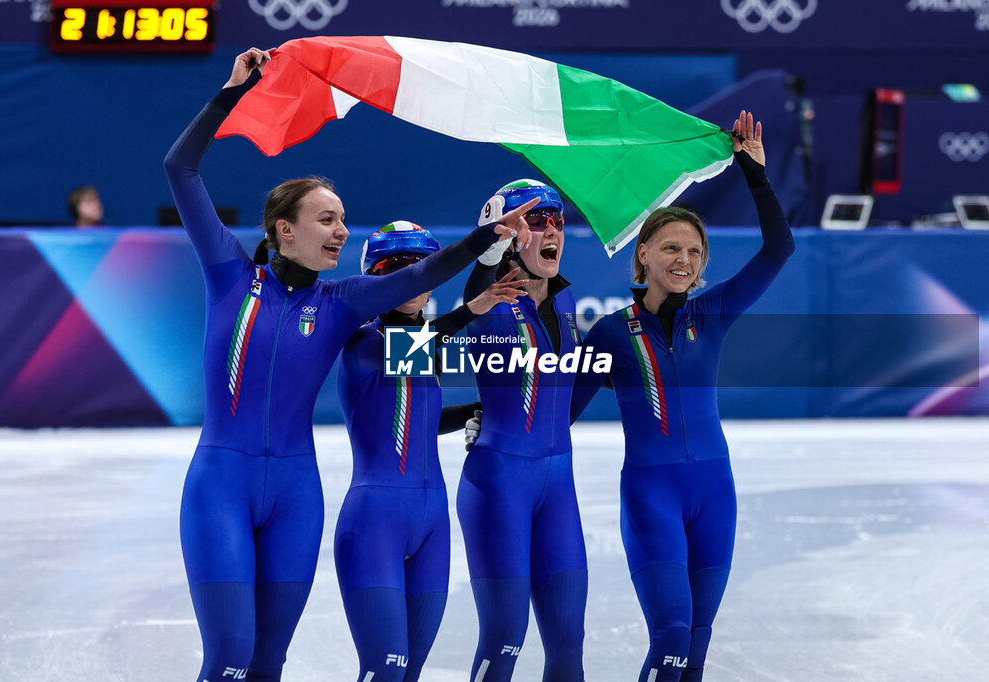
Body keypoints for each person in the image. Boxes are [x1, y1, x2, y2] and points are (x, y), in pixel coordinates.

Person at [162, 48, 532, 682]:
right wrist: (230, 95)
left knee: (267, 662)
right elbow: (181, 167)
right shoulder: (230, 278)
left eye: (342, 221)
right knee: (227, 657)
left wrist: (488, 240)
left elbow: (421, 280)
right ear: (283, 229)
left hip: (296, 495)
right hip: (220, 484)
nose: (339, 231)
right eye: (325, 219)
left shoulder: (342, 306)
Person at [570, 111, 795, 681]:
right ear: (642, 254)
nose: (683, 261)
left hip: (715, 493)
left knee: (695, 644)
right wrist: (480, 418)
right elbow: (560, 411)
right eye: (670, 248)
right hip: (653, 497)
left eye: (694, 253)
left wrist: (756, 175)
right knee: (671, 634)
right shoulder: (611, 333)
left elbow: (778, 250)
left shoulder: (711, 314)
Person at [335, 221, 529, 682]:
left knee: (411, 671)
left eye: (420, 266)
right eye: (396, 267)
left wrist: (476, 412)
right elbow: (411, 346)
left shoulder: (424, 348)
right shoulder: (362, 342)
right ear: (375, 275)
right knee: (384, 669)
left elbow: (419, 420)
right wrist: (475, 307)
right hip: (374, 523)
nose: (411, 276)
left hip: (431, 525)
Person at [456, 179, 588, 681]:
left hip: (558, 485)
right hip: (498, 486)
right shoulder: (489, 302)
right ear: (508, 237)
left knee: (568, 641)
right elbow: (475, 290)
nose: (552, 228)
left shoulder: (567, 303)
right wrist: (491, 242)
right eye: (536, 220)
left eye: (557, 219)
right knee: (506, 636)